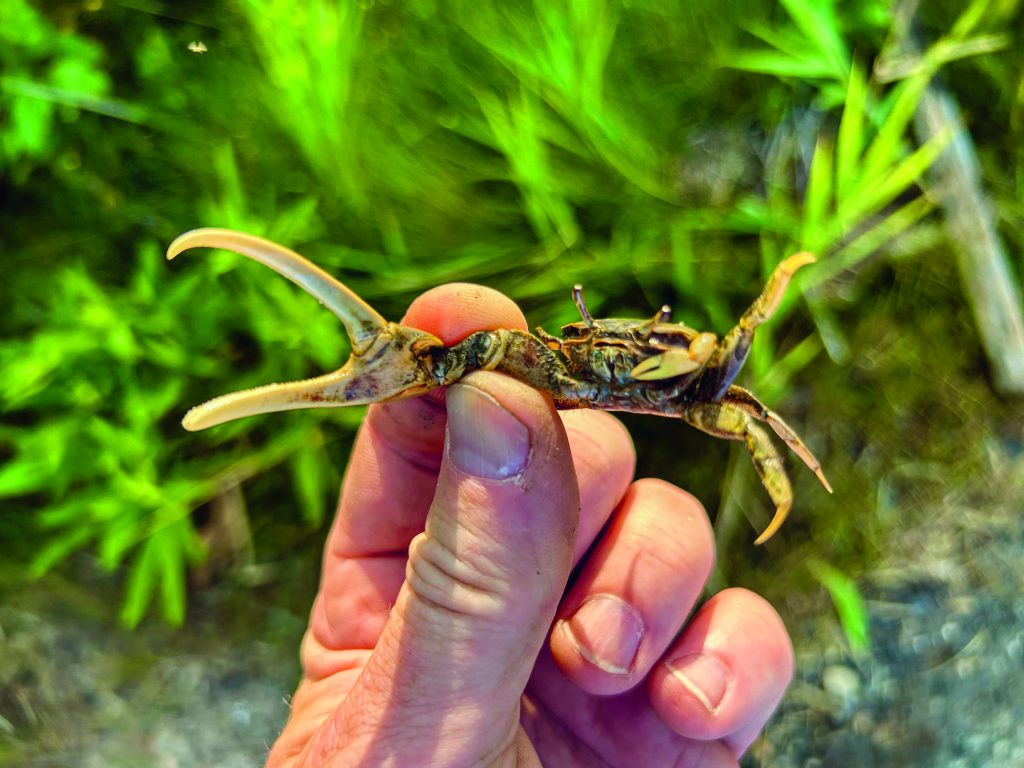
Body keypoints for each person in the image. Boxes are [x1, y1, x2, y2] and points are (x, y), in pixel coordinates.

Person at [266, 284, 794, 767]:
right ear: (575, 335)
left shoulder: (692, 387)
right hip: (566, 383)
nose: (614, 363)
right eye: (594, 337)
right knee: (489, 352)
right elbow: (483, 350)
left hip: (667, 396)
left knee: (749, 418)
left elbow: (750, 411)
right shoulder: (550, 365)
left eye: (637, 349)